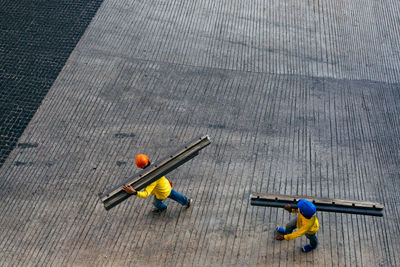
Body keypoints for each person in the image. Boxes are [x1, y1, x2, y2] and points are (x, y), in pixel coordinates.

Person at [122, 154, 192, 213]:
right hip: (166, 186)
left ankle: (163, 208)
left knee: (156, 203)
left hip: (161, 193)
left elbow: (145, 194)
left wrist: (134, 192)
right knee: (175, 195)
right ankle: (187, 201)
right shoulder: (154, 165)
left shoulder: (151, 180)